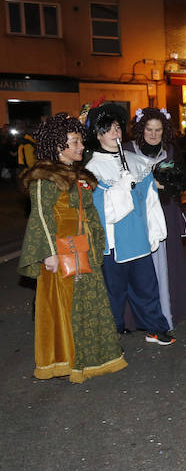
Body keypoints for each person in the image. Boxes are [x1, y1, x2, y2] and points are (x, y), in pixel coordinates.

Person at [19, 113, 127, 382]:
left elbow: (89, 213)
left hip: (82, 247)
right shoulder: (45, 177)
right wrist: (48, 253)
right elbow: (42, 216)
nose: (81, 147)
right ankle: (66, 359)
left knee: (87, 304)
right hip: (61, 248)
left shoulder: (78, 175)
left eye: (80, 141)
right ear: (58, 147)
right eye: (75, 142)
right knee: (65, 306)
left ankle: (93, 356)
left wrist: (95, 242)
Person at [84, 103, 174, 345]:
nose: (115, 133)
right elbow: (103, 211)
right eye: (109, 129)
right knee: (113, 292)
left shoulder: (137, 162)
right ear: (98, 134)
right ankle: (112, 332)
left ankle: (155, 328)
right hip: (113, 243)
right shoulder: (91, 169)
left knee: (147, 287)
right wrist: (122, 187)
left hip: (138, 238)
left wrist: (156, 231)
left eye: (117, 128)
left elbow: (150, 201)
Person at [124, 107, 186, 328]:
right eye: (149, 129)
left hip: (166, 212)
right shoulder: (127, 150)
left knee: (167, 263)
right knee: (139, 264)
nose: (153, 134)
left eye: (158, 130)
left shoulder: (171, 151)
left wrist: (163, 184)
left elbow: (182, 182)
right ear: (140, 129)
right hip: (137, 216)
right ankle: (137, 317)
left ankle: (167, 312)